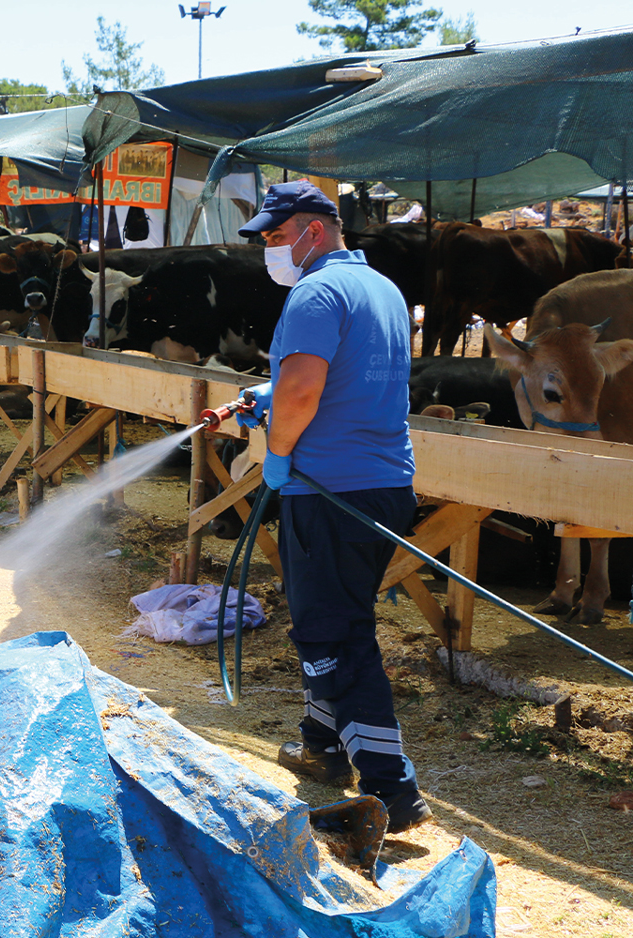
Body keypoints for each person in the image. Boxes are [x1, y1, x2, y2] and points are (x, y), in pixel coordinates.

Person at [234, 180, 431, 834]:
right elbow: (344, 375)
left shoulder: (315, 292)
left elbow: (301, 391)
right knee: (338, 615)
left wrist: (279, 452)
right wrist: (273, 392)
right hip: (386, 485)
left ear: (312, 231)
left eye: (275, 238)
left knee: (332, 634)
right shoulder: (383, 289)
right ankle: (322, 746)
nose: (271, 252)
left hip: (329, 491)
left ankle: (389, 793)